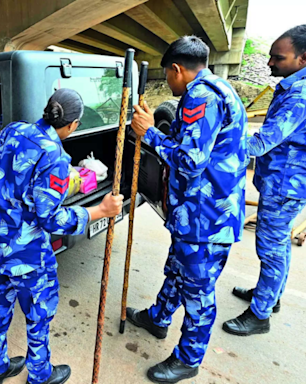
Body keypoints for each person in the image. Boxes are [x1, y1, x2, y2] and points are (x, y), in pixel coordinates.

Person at [0, 88, 123, 384]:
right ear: (72, 125)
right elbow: (50, 218)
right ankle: (39, 375)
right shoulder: (55, 157)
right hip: (27, 257)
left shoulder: (16, 130)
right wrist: (99, 211)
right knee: (38, 317)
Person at [128, 36, 248, 383]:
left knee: (197, 291)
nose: (167, 81)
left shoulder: (201, 95)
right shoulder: (218, 87)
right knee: (178, 272)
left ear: (177, 69)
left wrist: (150, 134)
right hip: (200, 214)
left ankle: (188, 359)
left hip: (205, 219)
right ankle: (158, 318)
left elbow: (190, 160)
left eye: (167, 74)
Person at [223, 25, 306, 337]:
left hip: (286, 185)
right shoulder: (292, 85)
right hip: (286, 180)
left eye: (278, 58)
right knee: (279, 244)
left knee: (270, 248)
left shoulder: (299, 95)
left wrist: (218, 145)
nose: (270, 63)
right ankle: (269, 297)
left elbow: (261, 143)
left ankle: (259, 315)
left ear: (303, 59)